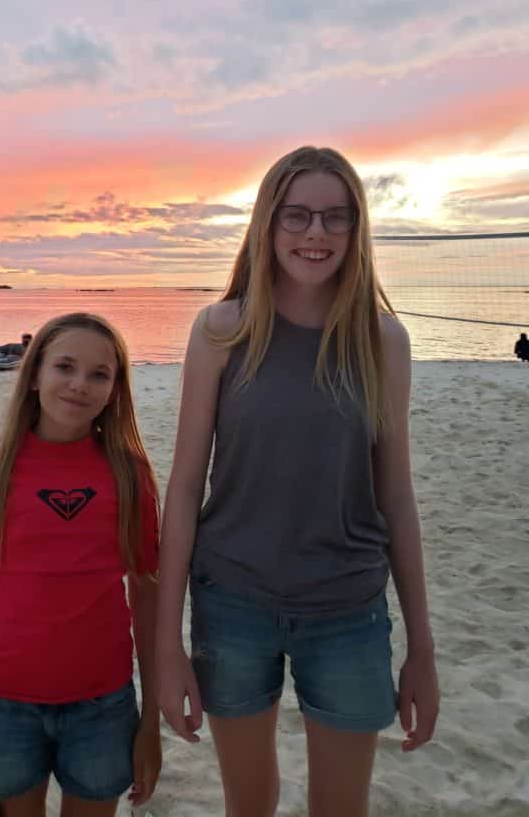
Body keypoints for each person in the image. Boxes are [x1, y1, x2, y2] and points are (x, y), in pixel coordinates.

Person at [156, 146, 439, 817]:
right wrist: (165, 646)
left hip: (347, 610)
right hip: (233, 605)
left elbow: (395, 498)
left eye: (336, 218)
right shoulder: (221, 331)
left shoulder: (384, 341)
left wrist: (422, 650)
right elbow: (185, 487)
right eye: (299, 216)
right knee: (247, 804)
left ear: (356, 230)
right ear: (267, 223)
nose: (317, 235)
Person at [0, 312, 161, 816]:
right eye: (65, 367)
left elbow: (147, 601)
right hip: (7, 706)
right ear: (34, 374)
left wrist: (150, 725)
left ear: (115, 389)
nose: (80, 385)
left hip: (105, 706)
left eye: (100, 374)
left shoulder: (130, 474)